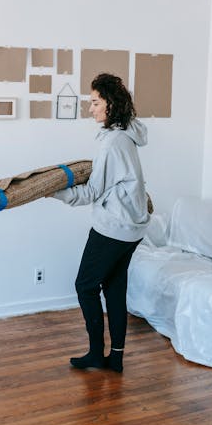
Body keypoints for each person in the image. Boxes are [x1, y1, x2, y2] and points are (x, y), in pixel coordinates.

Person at [52, 73, 150, 373]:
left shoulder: (112, 143)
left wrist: (53, 191)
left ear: (110, 103)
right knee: (115, 289)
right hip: (133, 228)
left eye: (95, 102)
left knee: (85, 286)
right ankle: (115, 357)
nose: (90, 109)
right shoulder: (128, 132)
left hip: (114, 227)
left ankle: (97, 353)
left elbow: (92, 192)